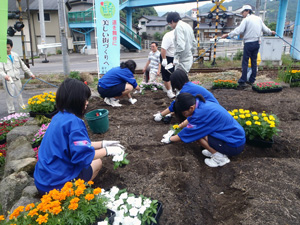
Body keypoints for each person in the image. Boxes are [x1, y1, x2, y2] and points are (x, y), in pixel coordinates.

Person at [34, 78, 125, 195]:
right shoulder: (74, 123)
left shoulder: (59, 117)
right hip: (57, 187)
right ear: (75, 100)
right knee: (97, 162)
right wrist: (108, 151)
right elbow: (83, 156)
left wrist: (103, 143)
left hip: (43, 182)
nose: (87, 103)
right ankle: (78, 194)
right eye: (85, 99)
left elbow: (76, 146)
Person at [161, 93, 246, 167]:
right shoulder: (200, 104)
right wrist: (178, 127)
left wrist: (170, 139)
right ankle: (216, 150)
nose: (184, 115)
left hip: (234, 145)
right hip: (235, 137)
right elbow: (189, 120)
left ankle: (220, 158)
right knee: (201, 133)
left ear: (191, 108)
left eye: (184, 113)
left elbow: (188, 133)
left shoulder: (200, 115)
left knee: (197, 136)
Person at [221, 5, 276, 88]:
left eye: (243, 12)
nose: (242, 14)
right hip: (257, 43)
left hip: (248, 43)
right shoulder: (258, 19)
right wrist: (271, 32)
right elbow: (266, 29)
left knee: (245, 62)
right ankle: (252, 80)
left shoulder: (246, 20)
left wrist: (228, 34)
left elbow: (239, 30)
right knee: (254, 62)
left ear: (247, 11)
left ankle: (243, 81)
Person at [153, 69, 219, 122]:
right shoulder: (189, 85)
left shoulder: (185, 90)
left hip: (211, 112)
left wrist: (161, 115)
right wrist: (170, 114)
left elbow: (175, 105)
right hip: (214, 107)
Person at [0, 39, 35, 115]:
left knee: (19, 94)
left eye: (8, 47)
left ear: (11, 47)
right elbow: (0, 70)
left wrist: (30, 74)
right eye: (5, 47)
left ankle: (22, 109)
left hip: (17, 78)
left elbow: (23, 66)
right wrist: (5, 76)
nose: (6, 49)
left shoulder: (15, 55)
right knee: (10, 96)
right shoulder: (2, 56)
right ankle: (11, 111)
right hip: (8, 80)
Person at [160, 30, 176, 99]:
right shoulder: (169, 36)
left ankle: (172, 88)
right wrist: (164, 59)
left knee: (174, 74)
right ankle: (169, 91)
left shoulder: (182, 36)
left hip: (175, 57)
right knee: (167, 75)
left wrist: (177, 58)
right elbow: (163, 49)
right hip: (167, 57)